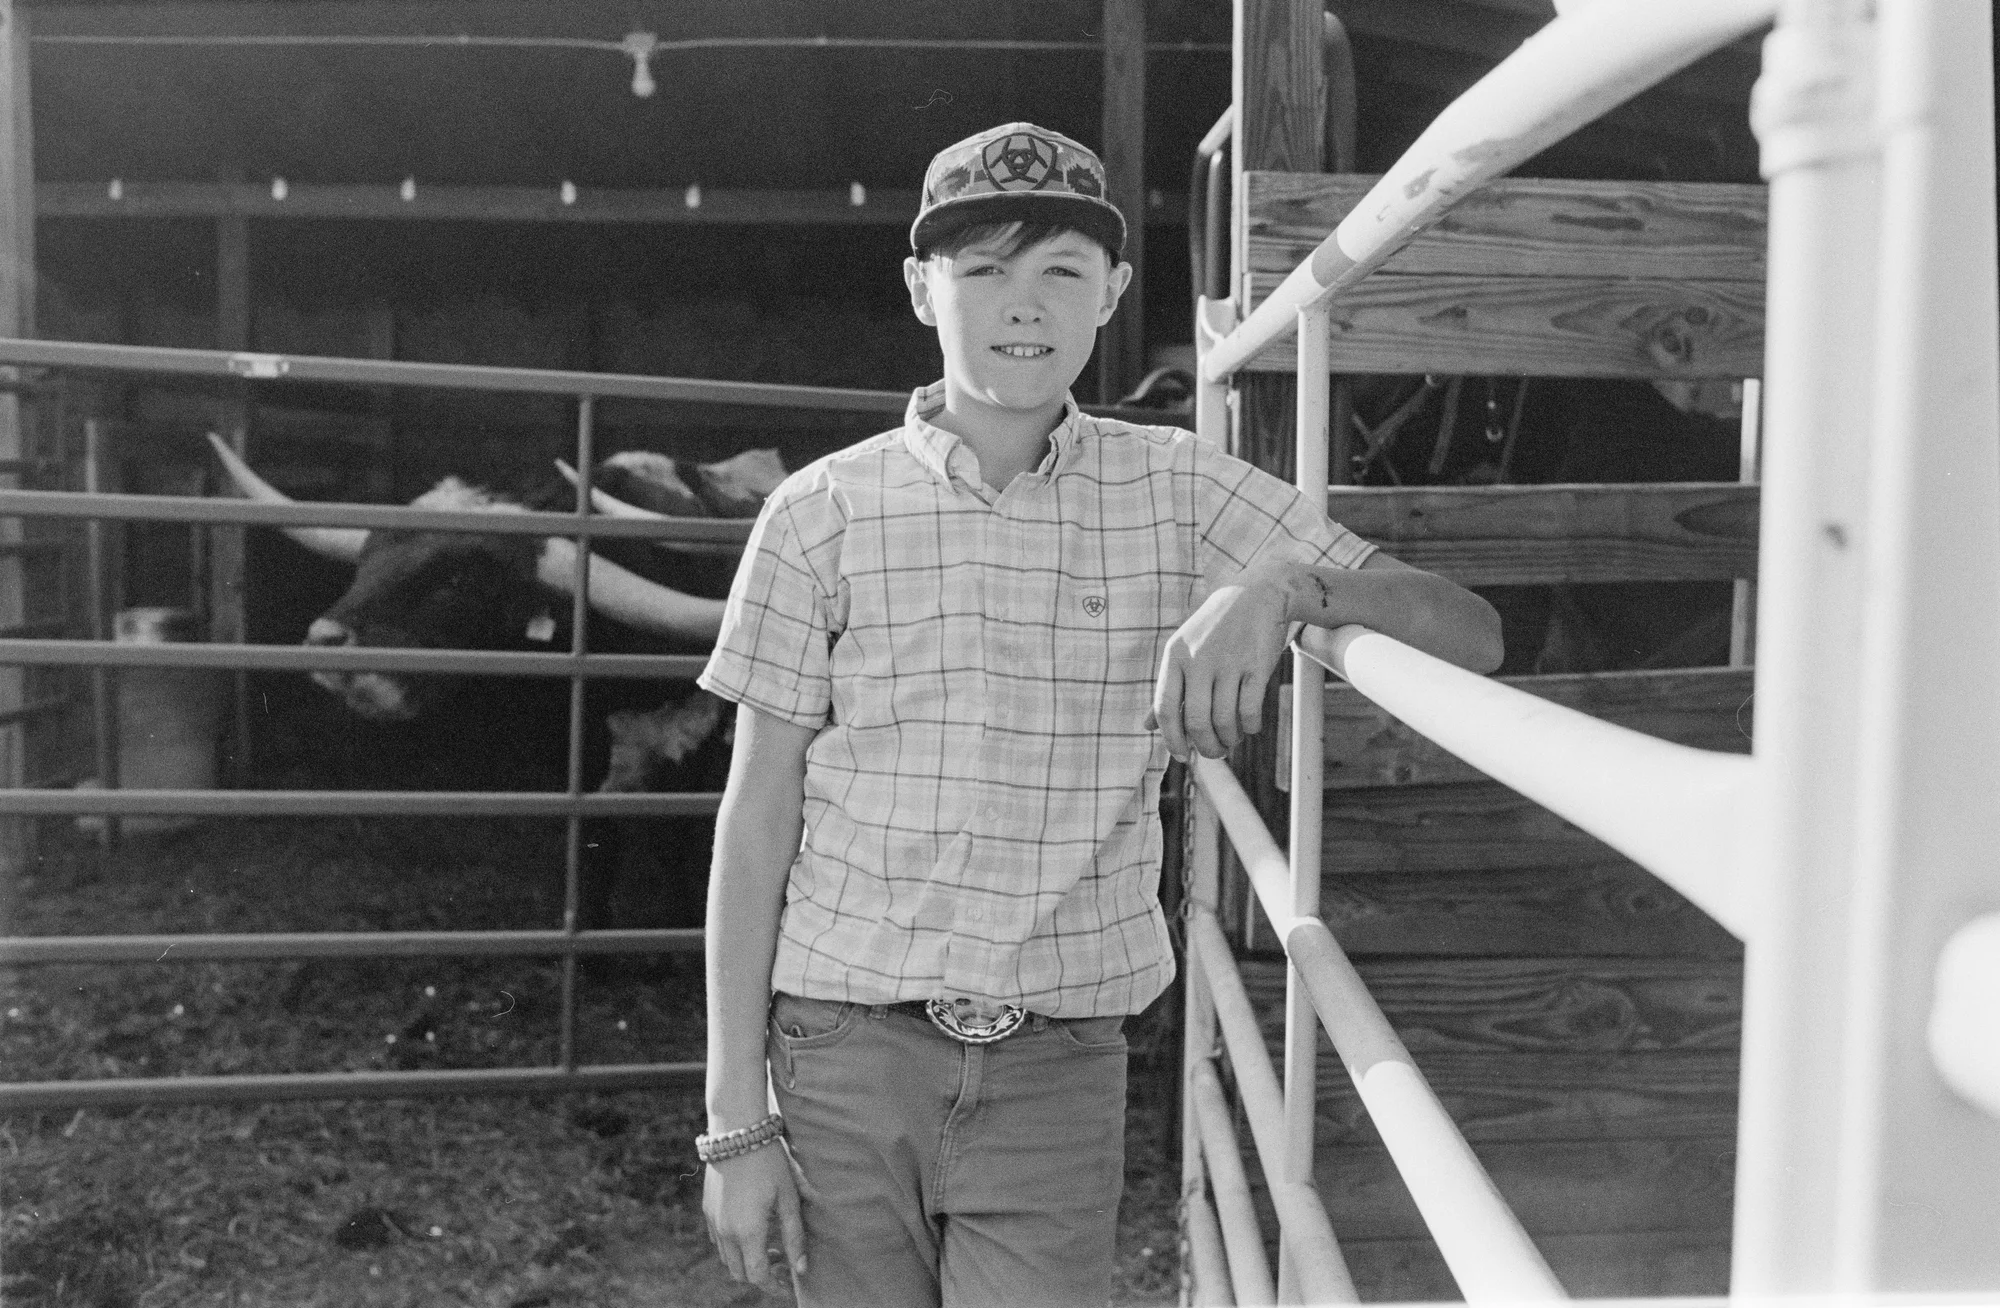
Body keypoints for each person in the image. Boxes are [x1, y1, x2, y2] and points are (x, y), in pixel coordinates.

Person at [695, 122, 1502, 1308]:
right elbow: (756, 817)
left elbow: (1467, 632)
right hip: (840, 1051)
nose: (1022, 306)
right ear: (923, 289)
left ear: (1113, 290)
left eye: (1060, 271)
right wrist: (733, 1124)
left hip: (1056, 1061)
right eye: (982, 271)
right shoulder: (819, 515)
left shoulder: (1177, 488)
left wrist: (1280, 588)